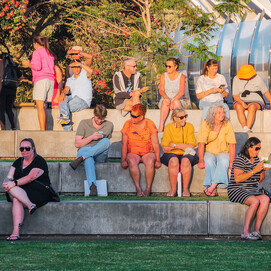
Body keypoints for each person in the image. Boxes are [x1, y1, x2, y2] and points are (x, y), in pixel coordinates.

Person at [2, 138, 53, 241]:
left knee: (16, 198)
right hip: (20, 191)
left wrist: (14, 183)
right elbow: (9, 176)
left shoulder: (39, 161)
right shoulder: (17, 162)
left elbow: (31, 177)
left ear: (33, 148)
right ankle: (30, 205)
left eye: (27, 148)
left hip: (38, 191)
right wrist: (6, 182)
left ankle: (15, 232)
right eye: (22, 149)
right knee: (14, 192)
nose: (24, 151)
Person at [228, 137, 270, 240]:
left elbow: (260, 180)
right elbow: (237, 179)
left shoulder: (256, 160)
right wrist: (254, 171)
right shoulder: (240, 159)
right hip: (237, 189)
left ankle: (256, 231)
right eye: (256, 148)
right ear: (249, 147)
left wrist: (263, 171)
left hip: (251, 190)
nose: (258, 151)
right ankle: (245, 232)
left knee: (265, 199)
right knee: (255, 201)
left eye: (259, 148)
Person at [69, 104, 113, 196]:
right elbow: (77, 144)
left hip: (99, 154)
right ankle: (92, 187)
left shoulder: (109, 125)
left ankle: (82, 157)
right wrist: (92, 137)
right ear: (93, 114)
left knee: (106, 141)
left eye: (102, 119)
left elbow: (105, 145)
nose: (100, 121)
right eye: (98, 118)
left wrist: (106, 159)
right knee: (89, 159)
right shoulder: (84, 123)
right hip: (85, 148)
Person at [121, 104, 161, 196]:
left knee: (151, 161)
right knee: (131, 160)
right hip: (133, 152)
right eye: (131, 114)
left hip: (147, 151)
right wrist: (123, 159)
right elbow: (124, 144)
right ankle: (138, 188)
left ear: (141, 116)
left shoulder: (149, 124)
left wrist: (158, 160)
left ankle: (148, 188)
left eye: (134, 116)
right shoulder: (127, 124)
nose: (132, 118)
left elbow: (155, 143)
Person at [197, 103, 236, 196]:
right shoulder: (206, 124)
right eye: (219, 113)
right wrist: (201, 160)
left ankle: (212, 186)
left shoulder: (227, 124)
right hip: (209, 151)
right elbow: (201, 143)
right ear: (213, 114)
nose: (222, 114)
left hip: (223, 151)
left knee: (224, 160)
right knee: (209, 161)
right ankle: (213, 188)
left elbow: (232, 144)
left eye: (223, 112)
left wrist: (231, 161)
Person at [161, 108, 198, 197]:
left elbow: (191, 146)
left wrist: (174, 145)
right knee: (173, 160)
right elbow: (165, 148)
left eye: (185, 116)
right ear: (175, 118)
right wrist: (183, 146)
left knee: (185, 160)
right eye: (181, 117)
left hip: (186, 154)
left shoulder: (189, 126)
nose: (184, 119)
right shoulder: (169, 127)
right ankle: (173, 189)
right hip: (172, 154)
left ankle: (185, 189)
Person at [22, 36, 55, 131]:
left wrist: (27, 64)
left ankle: (42, 130)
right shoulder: (49, 53)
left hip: (41, 80)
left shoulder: (37, 52)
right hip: (50, 80)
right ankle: (45, 129)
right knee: (44, 107)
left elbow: (37, 67)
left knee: (40, 107)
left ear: (35, 43)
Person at [232, 64, 271, 133]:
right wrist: (241, 102)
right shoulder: (236, 79)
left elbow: (266, 92)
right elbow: (235, 96)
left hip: (256, 99)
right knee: (238, 106)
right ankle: (245, 127)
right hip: (241, 99)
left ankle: (247, 128)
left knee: (252, 106)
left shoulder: (257, 78)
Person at [57, 61, 93, 131]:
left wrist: (80, 64)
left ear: (80, 68)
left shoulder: (84, 74)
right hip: (74, 98)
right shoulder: (70, 79)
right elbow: (66, 89)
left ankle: (67, 128)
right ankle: (64, 117)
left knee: (65, 108)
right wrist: (62, 93)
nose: (76, 69)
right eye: (74, 67)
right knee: (62, 99)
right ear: (71, 68)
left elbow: (91, 71)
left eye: (77, 67)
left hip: (83, 100)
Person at [158, 57, 185, 131]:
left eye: (169, 66)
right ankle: (161, 125)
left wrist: (173, 100)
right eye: (166, 66)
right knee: (166, 101)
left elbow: (181, 92)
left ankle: (178, 125)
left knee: (176, 102)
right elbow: (161, 90)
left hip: (177, 99)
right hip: (165, 99)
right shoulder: (163, 75)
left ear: (175, 67)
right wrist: (166, 98)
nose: (167, 68)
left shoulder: (181, 77)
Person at [0, 53, 23, 130]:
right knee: (9, 109)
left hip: (2, 90)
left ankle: (3, 128)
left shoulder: (1, 64)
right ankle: (13, 126)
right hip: (12, 90)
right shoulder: (14, 66)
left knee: (1, 109)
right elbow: (21, 77)